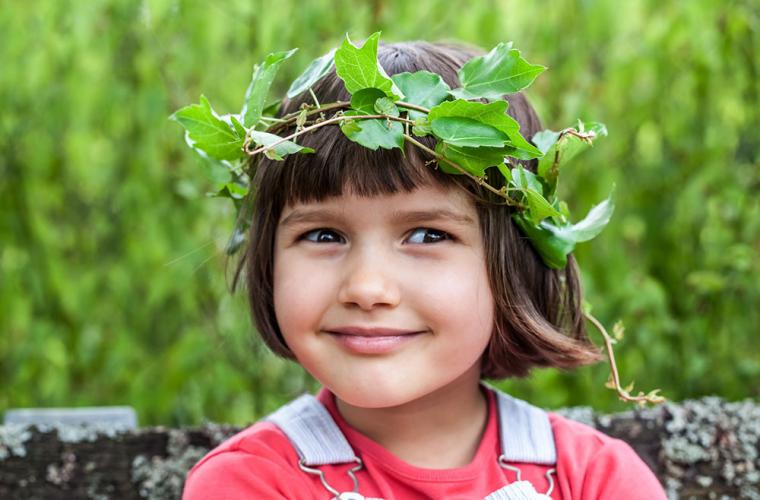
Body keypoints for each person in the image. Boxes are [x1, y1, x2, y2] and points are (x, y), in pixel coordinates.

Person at [182, 40, 667, 499]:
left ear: (512, 262)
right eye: (324, 235)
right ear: (270, 258)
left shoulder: (597, 481)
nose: (367, 288)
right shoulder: (249, 483)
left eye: (427, 235)